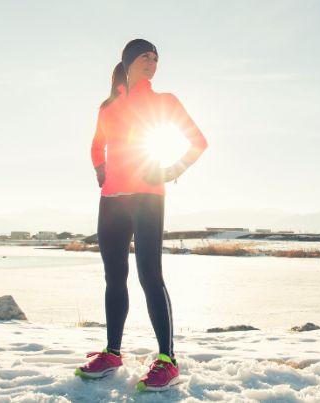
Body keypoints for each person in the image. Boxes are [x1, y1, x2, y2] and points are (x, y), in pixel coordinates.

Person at [74, 39, 208, 392]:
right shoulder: (108, 107)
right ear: (129, 62)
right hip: (111, 200)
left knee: (150, 276)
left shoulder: (164, 102)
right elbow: (95, 144)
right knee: (114, 276)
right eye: (145, 57)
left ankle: (167, 360)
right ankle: (113, 353)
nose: (152, 62)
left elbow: (198, 141)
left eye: (156, 58)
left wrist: (171, 169)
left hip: (148, 197)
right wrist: (100, 169)